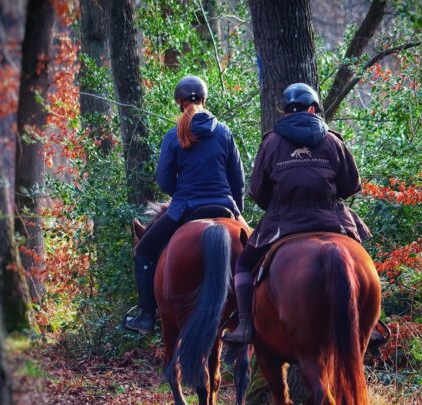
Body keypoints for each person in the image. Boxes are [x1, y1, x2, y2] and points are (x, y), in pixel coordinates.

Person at [222, 83, 370, 345]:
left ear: (286, 111)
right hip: (330, 218)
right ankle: (373, 320)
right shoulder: (333, 140)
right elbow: (349, 187)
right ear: (313, 108)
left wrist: (280, 202)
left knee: (244, 263)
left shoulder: (271, 141)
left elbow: (258, 192)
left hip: (284, 220)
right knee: (362, 258)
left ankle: (245, 323)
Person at [124, 75, 245, 335]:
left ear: (179, 103)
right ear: (204, 99)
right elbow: (238, 179)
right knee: (260, 252)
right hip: (225, 207)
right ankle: (250, 317)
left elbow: (164, 180)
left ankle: (146, 316)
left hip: (185, 209)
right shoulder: (224, 132)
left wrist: (181, 195)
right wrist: (237, 209)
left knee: (144, 252)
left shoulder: (174, 135)